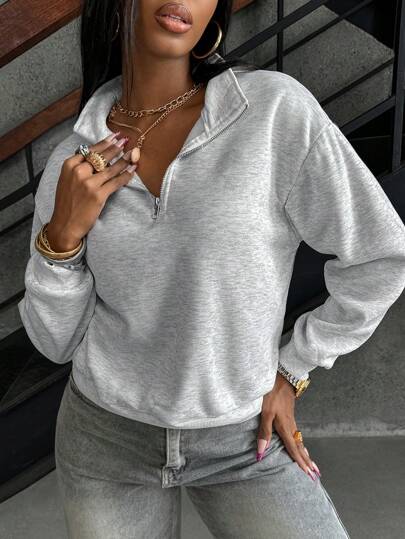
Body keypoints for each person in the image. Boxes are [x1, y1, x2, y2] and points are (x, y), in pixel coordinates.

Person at [18, 0, 405, 537]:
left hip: (242, 440)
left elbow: (381, 255)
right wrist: (60, 238)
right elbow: (55, 343)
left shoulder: (270, 112)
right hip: (104, 441)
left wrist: (294, 368)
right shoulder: (76, 159)